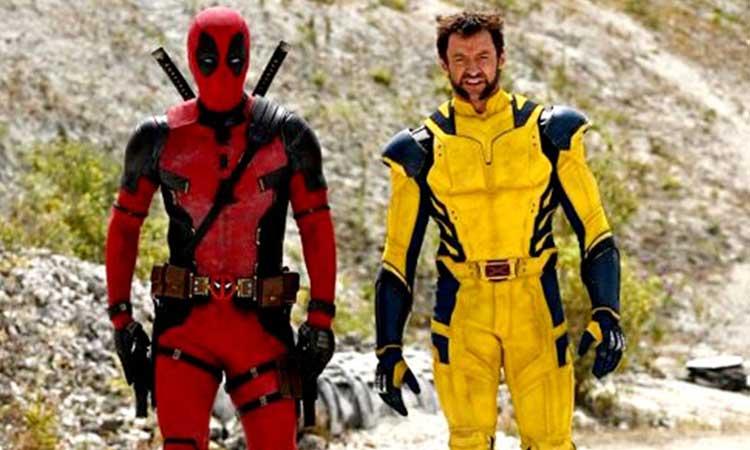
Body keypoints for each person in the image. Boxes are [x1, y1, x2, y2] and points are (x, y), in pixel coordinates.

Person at [374, 11, 625, 450]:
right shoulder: (418, 150)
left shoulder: (550, 132)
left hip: (535, 301)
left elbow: (594, 230)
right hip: (462, 308)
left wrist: (607, 311)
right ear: (443, 64)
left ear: (502, 58)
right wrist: (388, 348)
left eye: (483, 57)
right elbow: (397, 258)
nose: (472, 69)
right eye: (460, 58)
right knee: (468, 441)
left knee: (551, 442)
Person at [105, 7, 337, 449]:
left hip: (260, 331)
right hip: (187, 331)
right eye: (210, 58)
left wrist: (321, 319)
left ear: (246, 57)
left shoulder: (288, 136)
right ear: (193, 57)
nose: (223, 70)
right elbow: (123, 229)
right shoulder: (157, 139)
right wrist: (120, 318)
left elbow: (317, 229)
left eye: (233, 58)